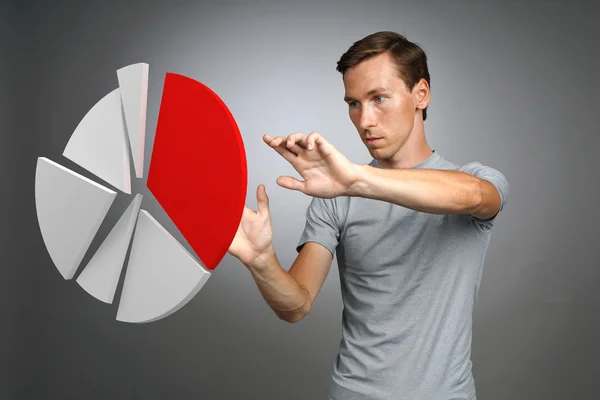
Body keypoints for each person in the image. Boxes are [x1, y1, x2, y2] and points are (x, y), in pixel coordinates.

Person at [227, 31, 509, 400]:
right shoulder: (336, 196)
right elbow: (296, 306)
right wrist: (261, 261)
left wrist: (357, 179)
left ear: (420, 94)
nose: (365, 120)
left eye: (379, 98)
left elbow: (472, 196)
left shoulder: (476, 179)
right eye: (354, 103)